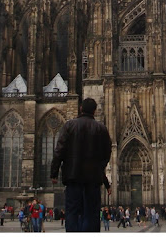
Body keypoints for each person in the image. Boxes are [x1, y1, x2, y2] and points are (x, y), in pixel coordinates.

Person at [50, 97, 112, 232]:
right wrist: (99, 169)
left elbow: (59, 150)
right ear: (95, 111)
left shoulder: (69, 125)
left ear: (80, 109)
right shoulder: (101, 128)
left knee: (72, 211)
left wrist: (54, 173)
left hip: (73, 177)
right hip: (93, 179)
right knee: (92, 212)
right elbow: (107, 153)